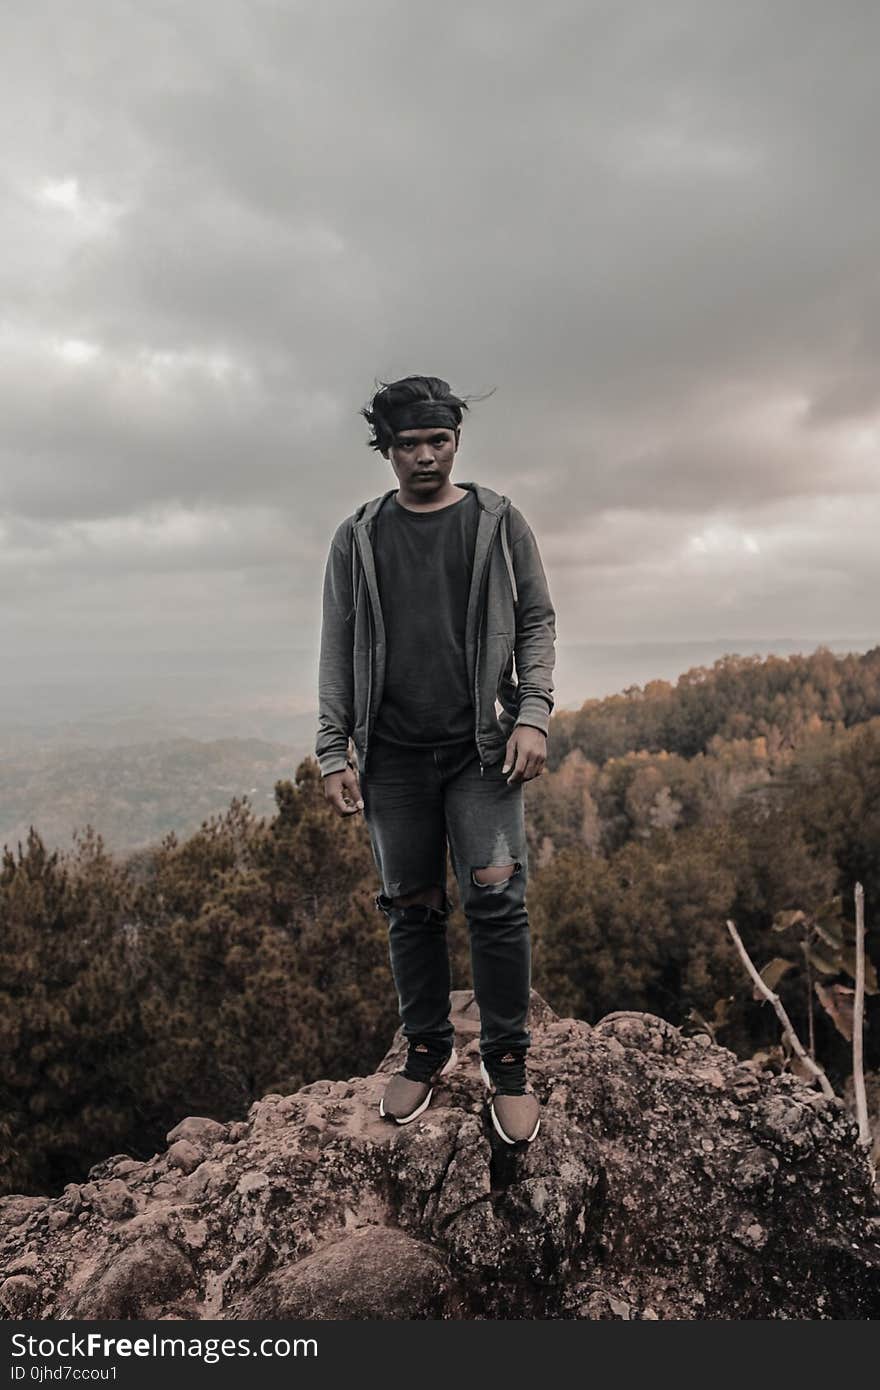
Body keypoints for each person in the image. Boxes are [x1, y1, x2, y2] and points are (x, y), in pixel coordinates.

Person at [316, 375, 556, 1144]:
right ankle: (425, 1050)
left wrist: (533, 715)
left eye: (438, 441)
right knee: (410, 908)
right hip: (391, 756)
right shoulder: (357, 536)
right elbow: (336, 645)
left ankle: (508, 1062)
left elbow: (537, 621)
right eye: (408, 444)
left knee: (497, 899)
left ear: (457, 440)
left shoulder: (495, 520)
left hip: (481, 751)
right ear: (385, 450)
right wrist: (333, 749)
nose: (425, 456)